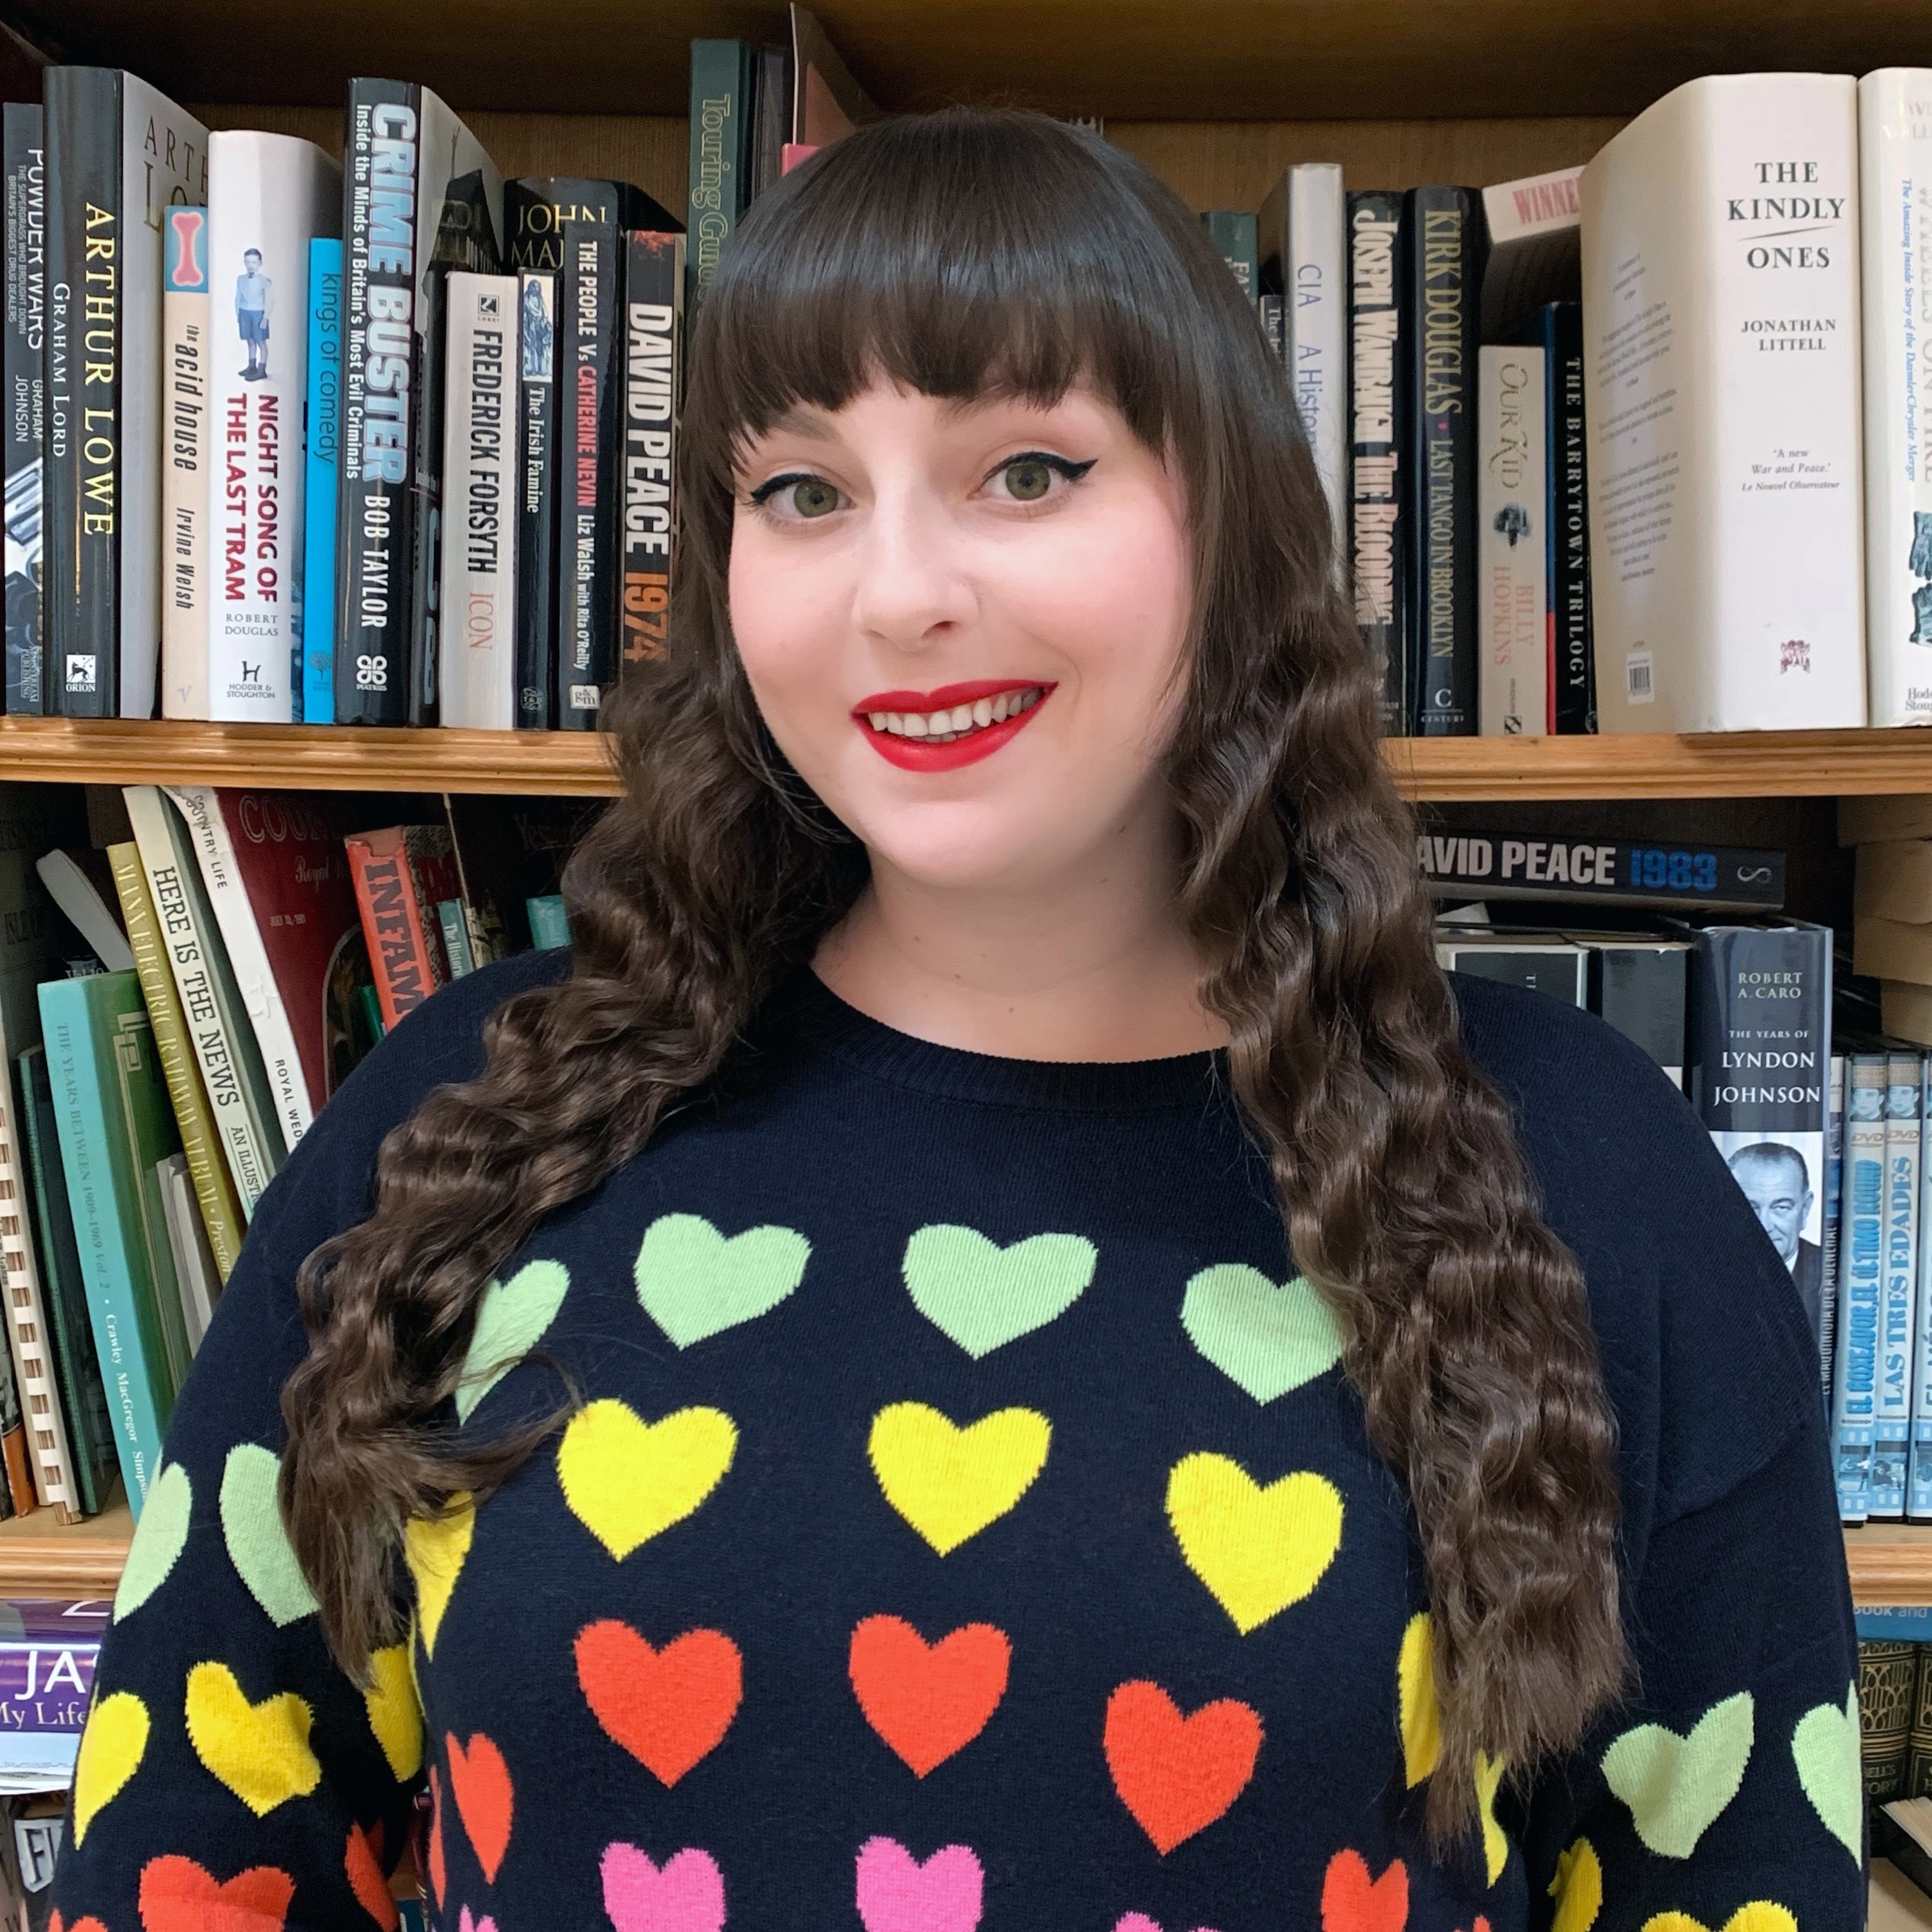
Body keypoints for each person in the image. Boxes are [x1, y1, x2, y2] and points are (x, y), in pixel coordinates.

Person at [50, 112, 1860, 1931]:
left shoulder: (1581, 1169)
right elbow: (195, 1855)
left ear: (1229, 521)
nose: (898, 593)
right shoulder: (473, 1111)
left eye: (1025, 470)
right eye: (802, 492)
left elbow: (1731, 1880)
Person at [1727, 1140, 1823, 1338]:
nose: (1765, 1226)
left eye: (1781, 1207)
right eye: (1748, 1207)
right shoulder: (1698, 1269)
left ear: (1804, 1210)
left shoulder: (1832, 1269)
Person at [236, 245, 271, 380]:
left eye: (254, 262)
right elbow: (238, 297)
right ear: (244, 262)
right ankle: (252, 366)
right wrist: (238, 313)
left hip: (258, 313)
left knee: (260, 341)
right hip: (244, 312)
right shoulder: (241, 279)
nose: (251, 265)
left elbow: (269, 300)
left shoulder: (264, 281)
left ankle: (262, 369)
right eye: (248, 262)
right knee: (249, 340)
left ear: (260, 263)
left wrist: (266, 317)